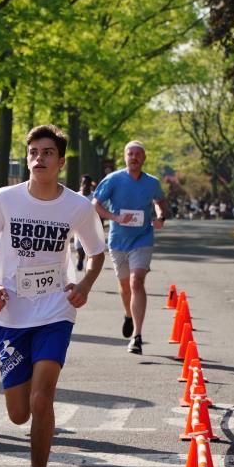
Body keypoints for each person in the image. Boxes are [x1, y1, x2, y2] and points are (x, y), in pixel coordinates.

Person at [0, 124, 106, 467]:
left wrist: (84, 285)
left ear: (61, 161)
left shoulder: (77, 206)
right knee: (19, 413)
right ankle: (37, 429)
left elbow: (97, 252)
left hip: (55, 310)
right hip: (12, 313)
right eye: (33, 151)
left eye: (47, 152)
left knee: (42, 396)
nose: (39, 158)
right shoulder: (5, 199)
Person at [91, 140, 167, 355]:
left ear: (144, 158)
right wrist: (114, 217)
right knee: (125, 286)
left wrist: (160, 216)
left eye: (137, 154)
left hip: (143, 239)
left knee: (137, 281)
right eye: (130, 154)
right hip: (118, 241)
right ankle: (128, 314)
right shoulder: (113, 179)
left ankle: (137, 336)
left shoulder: (152, 182)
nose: (134, 157)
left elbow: (160, 201)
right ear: (125, 157)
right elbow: (95, 204)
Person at [75, 175, 96, 271]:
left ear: (90, 185)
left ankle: (88, 265)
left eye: (87, 183)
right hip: (78, 226)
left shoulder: (95, 196)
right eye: (83, 183)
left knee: (89, 248)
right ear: (81, 183)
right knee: (79, 248)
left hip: (91, 226)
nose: (85, 185)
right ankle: (80, 259)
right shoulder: (76, 196)